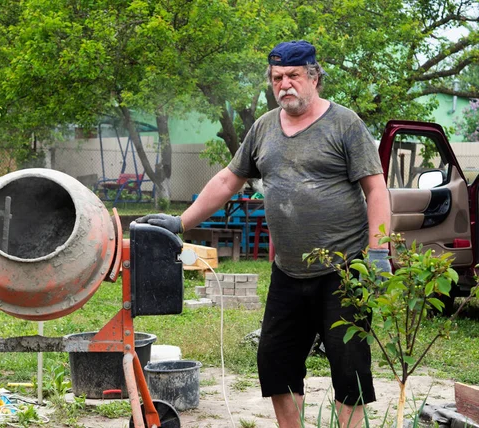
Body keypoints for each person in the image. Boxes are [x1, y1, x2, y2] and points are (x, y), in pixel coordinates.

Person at [137, 40, 391, 428]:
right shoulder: (263, 128)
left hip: (344, 270)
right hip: (288, 272)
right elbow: (227, 180)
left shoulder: (345, 123)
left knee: (349, 364)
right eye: (276, 78)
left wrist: (378, 253)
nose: (284, 85)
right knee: (274, 361)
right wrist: (181, 222)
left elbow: (376, 189)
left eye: (292, 76)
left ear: (314, 77)